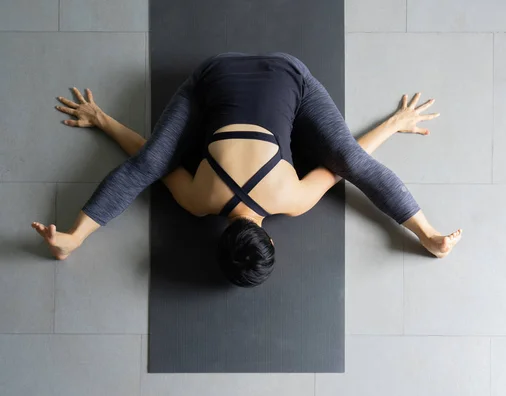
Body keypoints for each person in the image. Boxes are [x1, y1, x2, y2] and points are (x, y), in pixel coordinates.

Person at [32, 52, 462, 287]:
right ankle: (72, 239)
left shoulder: (291, 201)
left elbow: (348, 166)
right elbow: (147, 159)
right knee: (151, 164)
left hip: (290, 73)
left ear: (271, 237)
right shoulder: (197, 201)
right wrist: (103, 119)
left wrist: (393, 124)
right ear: (220, 241)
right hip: (212, 73)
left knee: (347, 161)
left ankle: (429, 235)